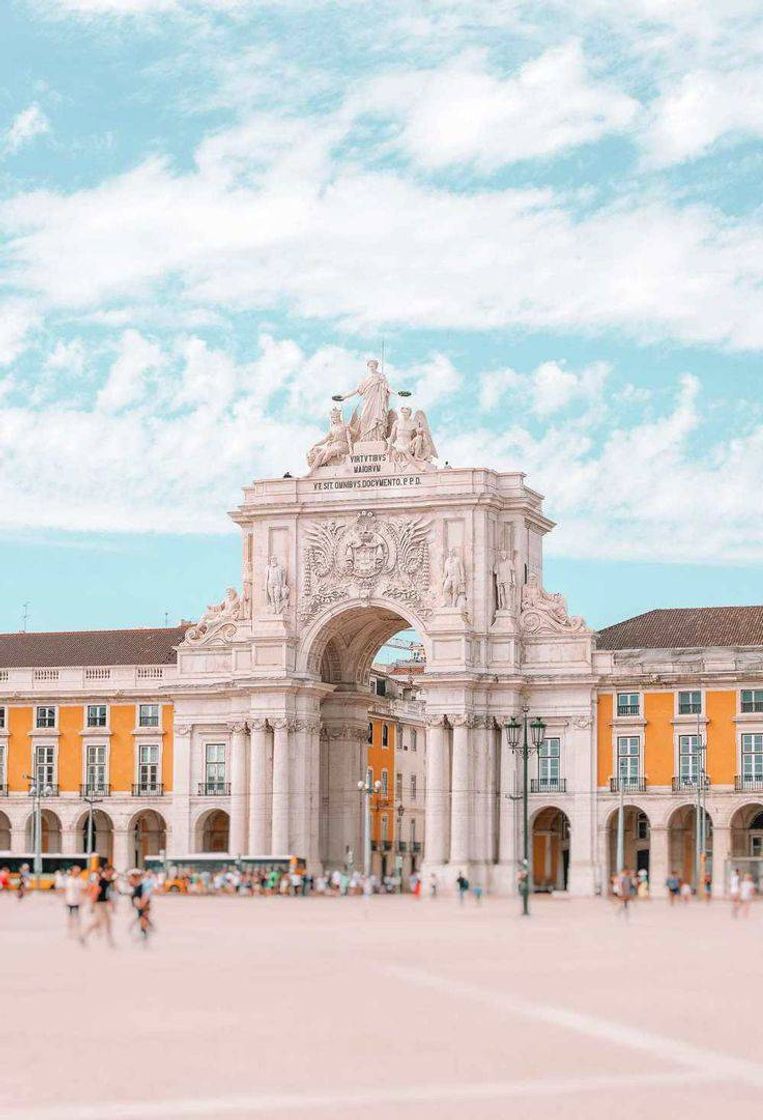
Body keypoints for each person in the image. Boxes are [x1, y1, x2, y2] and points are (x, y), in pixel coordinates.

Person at [80, 863, 117, 947]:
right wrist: (92, 905)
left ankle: (110, 941)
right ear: (107, 871)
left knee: (106, 922)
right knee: (99, 922)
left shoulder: (108, 881)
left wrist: (111, 903)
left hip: (104, 904)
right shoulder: (102, 881)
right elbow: (96, 892)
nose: (112, 872)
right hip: (99, 904)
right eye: (111, 871)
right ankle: (84, 936)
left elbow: (108, 894)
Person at [63, 866, 86, 936]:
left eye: (78, 872)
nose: (77, 873)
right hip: (69, 900)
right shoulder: (68, 880)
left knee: (77, 916)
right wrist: (64, 899)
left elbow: (83, 890)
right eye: (75, 871)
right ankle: (70, 930)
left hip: (77, 900)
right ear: (72, 872)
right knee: (70, 916)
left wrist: (82, 899)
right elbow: (65, 890)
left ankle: (77, 930)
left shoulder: (80, 880)